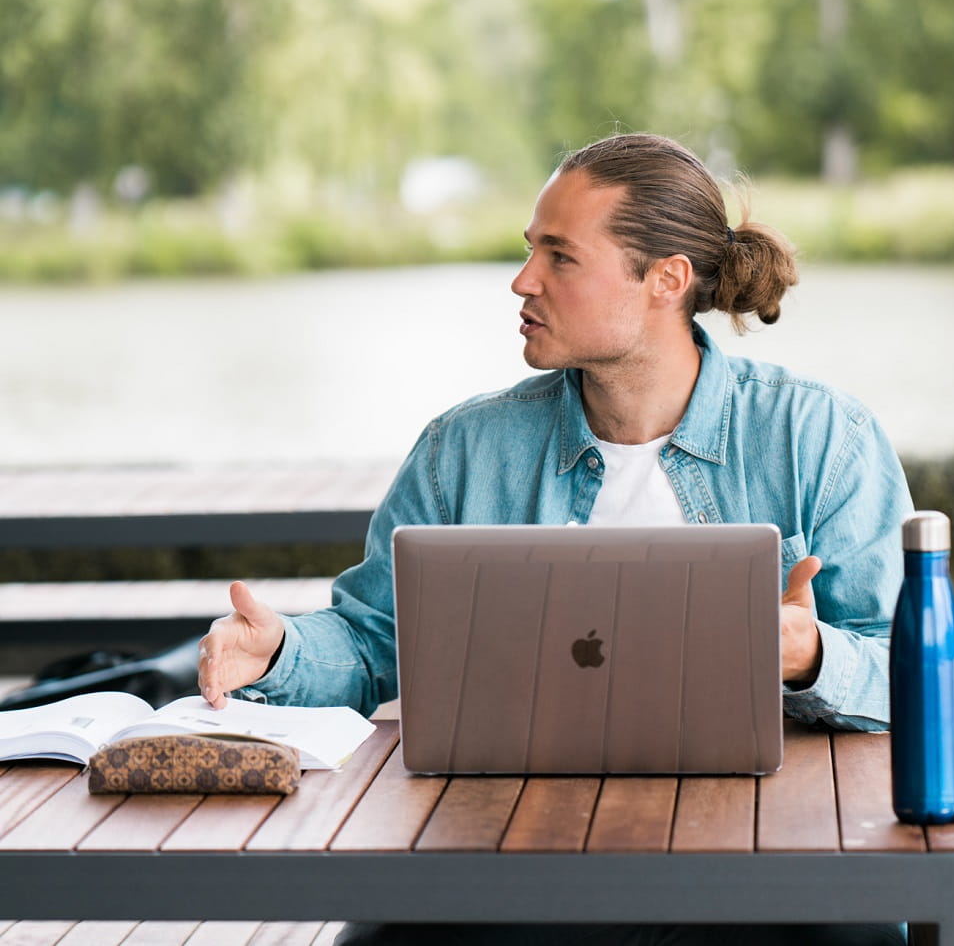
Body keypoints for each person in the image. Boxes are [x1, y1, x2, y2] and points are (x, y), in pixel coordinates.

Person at [198, 133, 911, 945]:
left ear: (666, 279)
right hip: (510, 845)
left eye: (560, 256)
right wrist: (281, 650)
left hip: (761, 842)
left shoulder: (820, 436)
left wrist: (809, 654)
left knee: (856, 937)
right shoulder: (464, 449)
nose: (523, 279)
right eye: (530, 249)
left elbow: (909, 675)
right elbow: (372, 642)